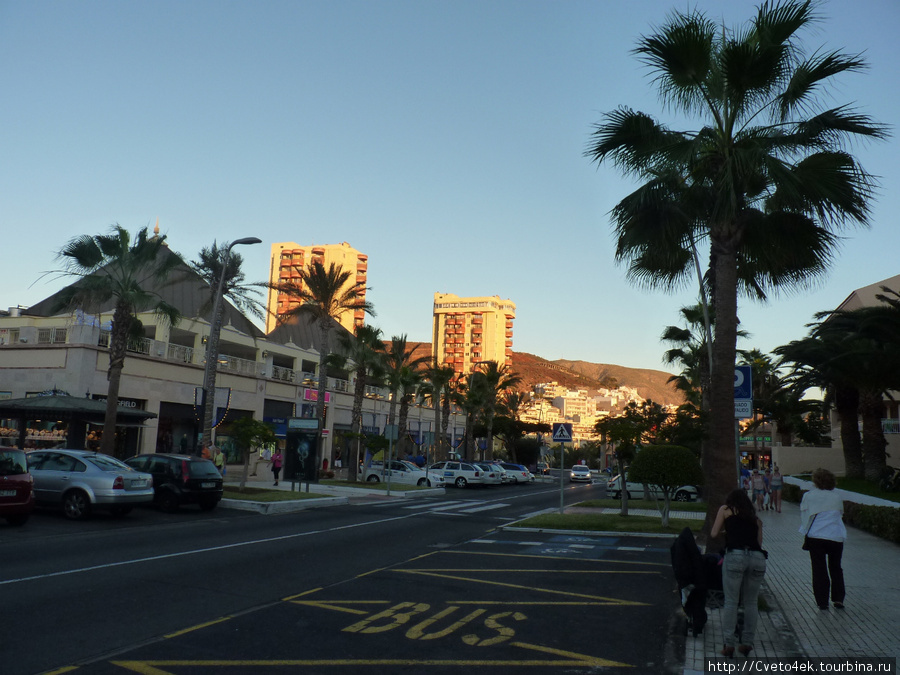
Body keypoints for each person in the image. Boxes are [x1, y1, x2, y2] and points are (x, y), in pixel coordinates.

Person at [710, 488, 767, 658]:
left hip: (735, 556)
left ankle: (729, 644)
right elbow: (759, 542)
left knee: (731, 601)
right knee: (751, 602)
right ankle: (747, 642)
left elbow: (713, 533)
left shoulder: (725, 510)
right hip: (757, 558)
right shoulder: (755, 519)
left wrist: (727, 532)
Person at [799, 468, 846, 610]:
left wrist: (805, 531)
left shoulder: (809, 496)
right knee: (836, 567)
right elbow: (840, 514)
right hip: (836, 536)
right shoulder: (837, 497)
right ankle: (838, 599)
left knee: (819, 568)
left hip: (816, 536)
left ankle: (822, 601)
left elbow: (805, 517)